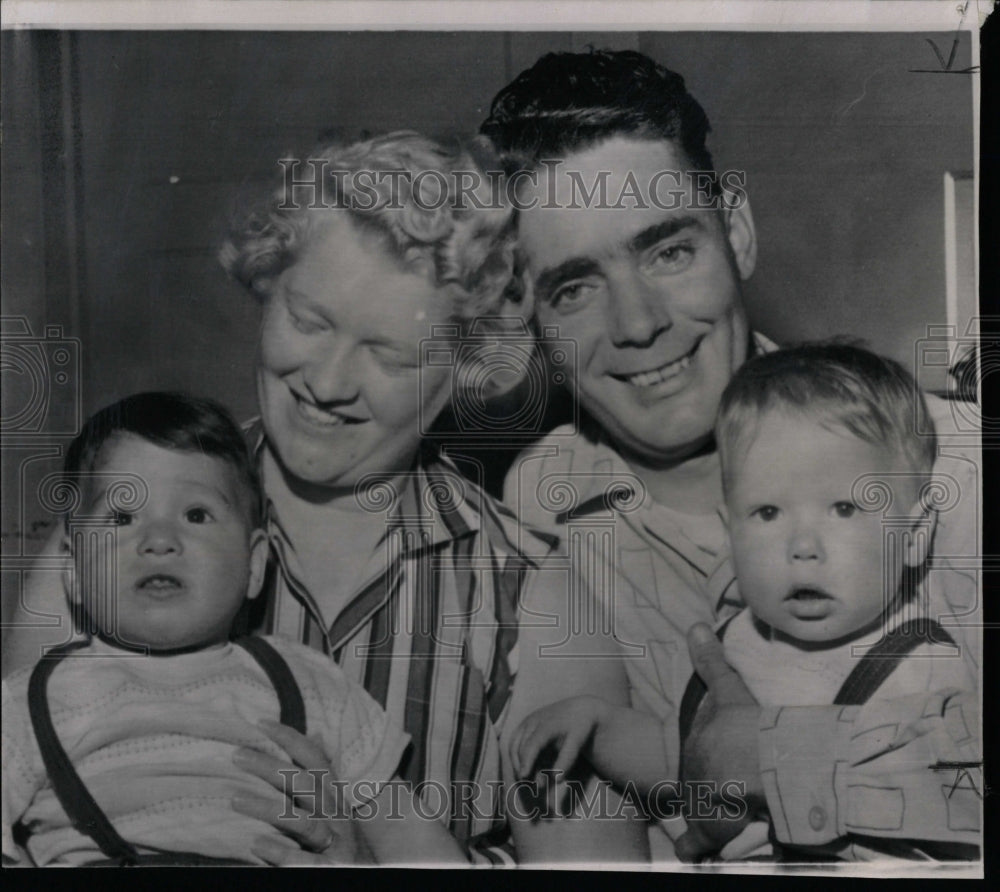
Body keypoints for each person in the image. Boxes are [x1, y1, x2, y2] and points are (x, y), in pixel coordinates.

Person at [2, 132, 646, 865]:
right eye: (309, 322)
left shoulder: (535, 598)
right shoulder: (117, 533)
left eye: (387, 354)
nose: (329, 383)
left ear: (467, 366)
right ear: (266, 285)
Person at [481, 49, 981, 860]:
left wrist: (765, 758)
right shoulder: (541, 512)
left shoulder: (952, 468)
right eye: (574, 289)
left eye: (668, 251)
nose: (638, 322)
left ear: (736, 233)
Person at [507, 344, 980, 862]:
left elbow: (953, 812)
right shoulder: (739, 640)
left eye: (844, 508)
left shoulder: (925, 667)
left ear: (914, 533)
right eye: (768, 512)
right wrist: (600, 726)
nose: (802, 547)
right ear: (729, 531)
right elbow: (683, 763)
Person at [2, 391, 469, 867]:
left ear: (255, 565)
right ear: (75, 572)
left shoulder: (309, 684)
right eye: (122, 517)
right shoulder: (27, 703)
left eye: (196, 515)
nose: (160, 541)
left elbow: (413, 840)